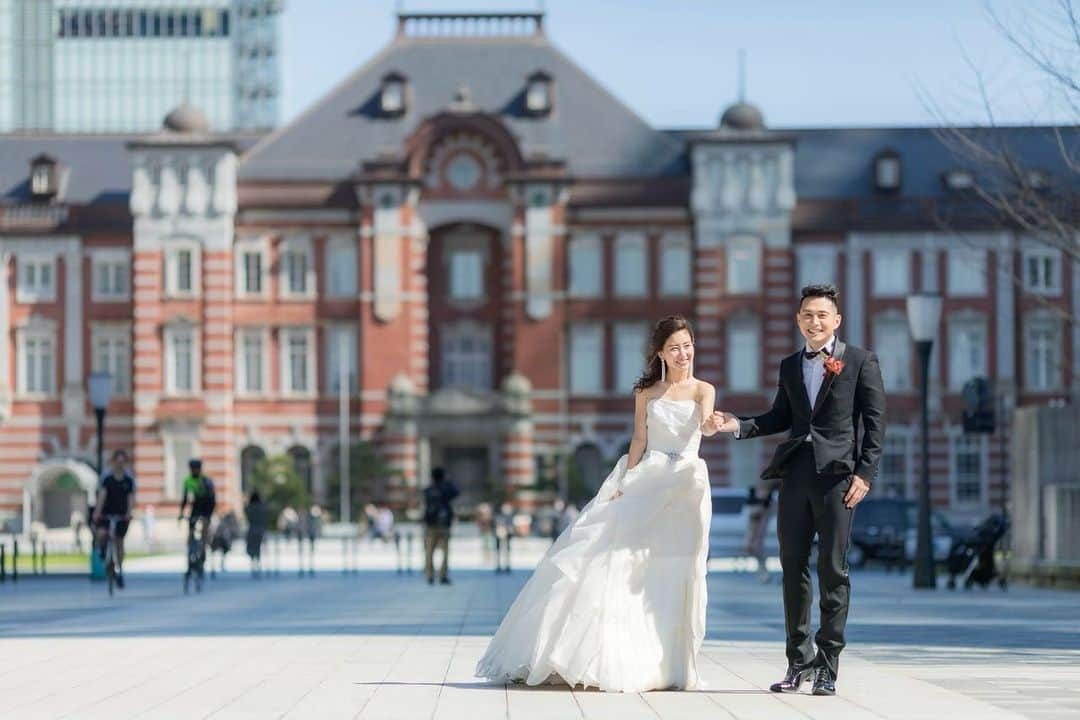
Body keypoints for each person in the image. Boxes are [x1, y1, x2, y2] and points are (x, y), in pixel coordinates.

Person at [476, 315, 719, 692]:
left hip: (687, 485)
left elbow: (704, 424)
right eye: (675, 348)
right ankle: (609, 652)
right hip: (649, 477)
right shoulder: (646, 393)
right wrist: (624, 481)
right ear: (661, 354)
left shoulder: (704, 390)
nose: (683, 353)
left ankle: (674, 663)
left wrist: (713, 425)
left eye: (687, 345)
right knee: (616, 561)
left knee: (680, 570)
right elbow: (639, 440)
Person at [713, 283, 885, 697]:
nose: (815, 321)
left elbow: (875, 426)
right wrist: (735, 424)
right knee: (792, 568)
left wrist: (865, 474)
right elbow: (778, 418)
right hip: (796, 476)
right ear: (798, 320)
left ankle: (828, 665)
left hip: (839, 478)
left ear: (836, 320)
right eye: (807, 314)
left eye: (822, 315)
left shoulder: (860, 361)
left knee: (833, 569)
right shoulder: (791, 365)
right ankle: (797, 662)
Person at [93, 449, 136, 588]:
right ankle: (102, 550)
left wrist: (129, 513)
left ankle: (120, 570)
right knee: (101, 534)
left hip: (122, 515)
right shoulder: (107, 479)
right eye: (117, 462)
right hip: (107, 513)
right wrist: (97, 512)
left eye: (122, 463)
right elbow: (102, 496)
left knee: (119, 543)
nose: (119, 465)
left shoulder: (128, 480)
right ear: (113, 462)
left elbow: (130, 499)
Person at [422, 467, 459, 585]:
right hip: (444, 524)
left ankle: (429, 575)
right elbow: (456, 492)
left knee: (429, 551)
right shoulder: (446, 490)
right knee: (445, 551)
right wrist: (449, 481)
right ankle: (443, 575)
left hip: (430, 524)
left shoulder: (428, 490)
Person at [177, 458, 216, 558]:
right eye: (192, 468)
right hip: (196, 505)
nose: (194, 470)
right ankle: (190, 555)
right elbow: (185, 499)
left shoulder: (206, 480)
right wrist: (181, 513)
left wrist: (208, 516)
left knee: (204, 528)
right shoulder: (188, 480)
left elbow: (211, 498)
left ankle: (203, 550)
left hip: (207, 505)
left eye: (196, 468)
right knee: (191, 529)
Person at [245, 491, 268, 578]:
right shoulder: (262, 508)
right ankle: (257, 566)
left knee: (251, 548)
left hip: (252, 530)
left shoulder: (250, 508)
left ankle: (253, 566)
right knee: (257, 549)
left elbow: (246, 512)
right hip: (260, 530)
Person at [493, 502, 514, 574]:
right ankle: (499, 565)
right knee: (499, 551)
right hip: (499, 533)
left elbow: (510, 525)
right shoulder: (498, 516)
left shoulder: (508, 517)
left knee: (506, 551)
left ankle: (506, 565)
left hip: (506, 534)